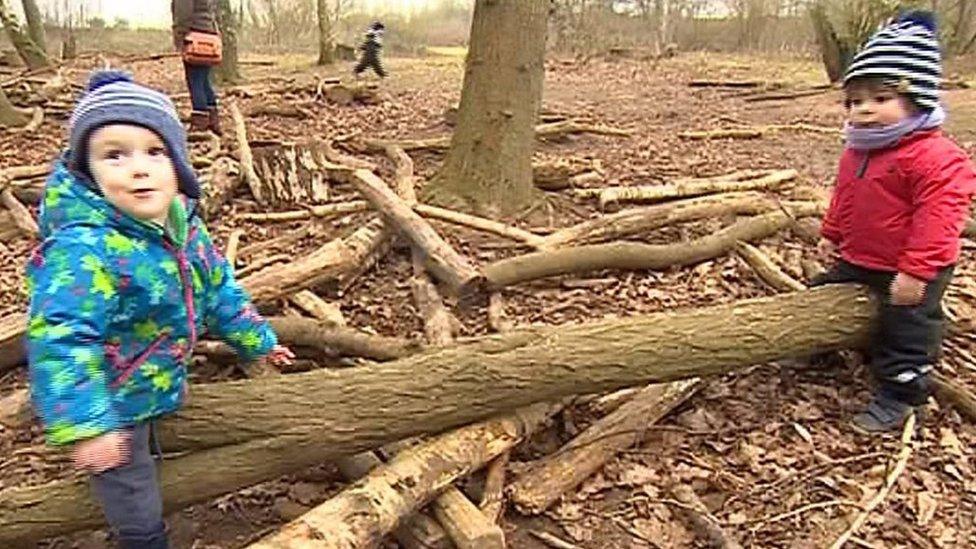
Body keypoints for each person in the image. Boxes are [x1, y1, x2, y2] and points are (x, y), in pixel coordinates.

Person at [26, 70, 294, 549]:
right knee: (133, 494)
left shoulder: (183, 225)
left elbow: (219, 292)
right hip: (114, 399)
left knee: (149, 455)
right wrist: (88, 426)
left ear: (179, 163)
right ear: (88, 173)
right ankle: (143, 539)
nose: (139, 168)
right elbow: (61, 338)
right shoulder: (85, 249)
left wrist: (260, 341)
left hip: (156, 376)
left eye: (155, 152)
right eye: (115, 155)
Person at [815, 11, 976, 433]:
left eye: (880, 99)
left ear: (917, 100)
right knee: (821, 293)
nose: (864, 110)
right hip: (862, 255)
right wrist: (832, 233)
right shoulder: (859, 150)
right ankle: (819, 344)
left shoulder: (937, 157)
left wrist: (915, 272)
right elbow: (845, 196)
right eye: (854, 101)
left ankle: (903, 393)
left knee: (907, 327)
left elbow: (939, 221)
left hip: (912, 265)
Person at [172, 0, 221, 133]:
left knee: (195, 80)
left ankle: (200, 120)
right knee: (204, 80)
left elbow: (183, 15)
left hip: (194, 36)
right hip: (209, 36)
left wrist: (180, 36)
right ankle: (213, 118)